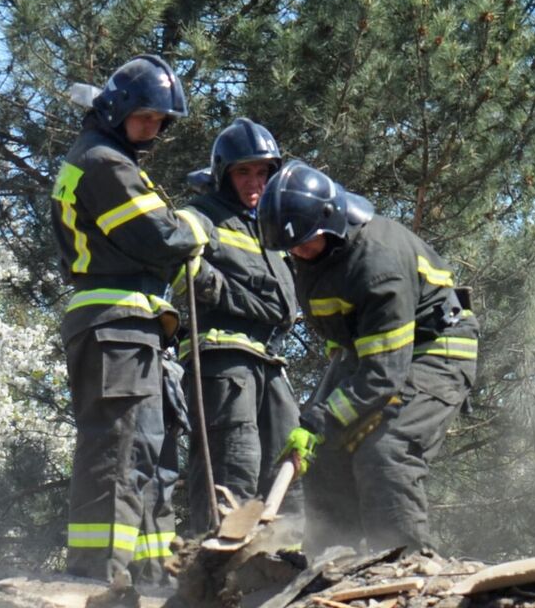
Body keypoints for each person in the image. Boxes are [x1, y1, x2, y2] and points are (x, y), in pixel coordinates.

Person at [259, 161, 477, 553]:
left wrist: (322, 415)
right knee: (325, 452)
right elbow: (348, 352)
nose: (298, 252)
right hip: (380, 355)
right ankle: (326, 561)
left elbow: (382, 373)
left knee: (386, 450)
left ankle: (402, 564)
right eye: (290, 247)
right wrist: (316, 420)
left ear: (332, 221)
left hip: (436, 351)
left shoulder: (377, 266)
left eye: (306, 241)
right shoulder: (316, 256)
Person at [49, 54, 205, 585]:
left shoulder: (110, 158)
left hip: (134, 329)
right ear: (115, 110)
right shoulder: (105, 164)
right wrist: (194, 228)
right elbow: (162, 240)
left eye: (161, 121)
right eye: (145, 118)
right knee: (117, 452)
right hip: (114, 324)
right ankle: (96, 576)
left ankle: (153, 577)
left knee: (153, 456)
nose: (154, 130)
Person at [173, 118, 301, 533]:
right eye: (243, 171)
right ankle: (215, 567)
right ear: (223, 175)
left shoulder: (267, 227)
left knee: (291, 467)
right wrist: (216, 286)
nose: (254, 182)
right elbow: (170, 252)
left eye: (263, 172)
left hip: (267, 362)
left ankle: (281, 569)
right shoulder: (201, 215)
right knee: (234, 464)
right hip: (224, 364)